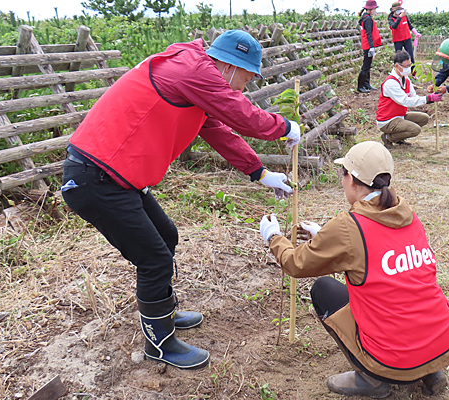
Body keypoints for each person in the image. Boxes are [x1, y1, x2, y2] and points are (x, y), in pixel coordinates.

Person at [61, 30, 301, 370]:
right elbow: (242, 114)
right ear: (229, 66)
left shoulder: (195, 77)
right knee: (154, 257)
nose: (243, 87)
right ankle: (159, 342)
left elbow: (220, 131)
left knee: (166, 236)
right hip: (95, 178)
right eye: (246, 78)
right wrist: (283, 125)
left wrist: (260, 173)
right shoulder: (193, 70)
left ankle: (163, 313)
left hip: (116, 177)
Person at [259, 141, 449, 398]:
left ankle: (372, 378)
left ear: (352, 180)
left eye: (342, 174)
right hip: (441, 340)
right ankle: (430, 370)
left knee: (323, 289)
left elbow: (296, 264)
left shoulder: (348, 226)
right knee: (405, 297)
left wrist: (273, 237)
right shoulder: (406, 213)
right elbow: (376, 252)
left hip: (392, 357)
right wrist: (324, 235)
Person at [377, 50, 442, 147]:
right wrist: (427, 99)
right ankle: (387, 138)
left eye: (410, 65)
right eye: (406, 66)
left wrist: (430, 99)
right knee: (415, 129)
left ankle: (399, 138)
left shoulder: (406, 79)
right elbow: (405, 101)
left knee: (424, 118)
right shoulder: (390, 83)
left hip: (400, 115)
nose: (409, 69)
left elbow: (413, 97)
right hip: (388, 120)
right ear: (397, 66)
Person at [357, 0, 383, 93]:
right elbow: (369, 34)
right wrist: (371, 47)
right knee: (366, 65)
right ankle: (360, 86)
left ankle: (366, 84)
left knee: (368, 65)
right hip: (367, 45)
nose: (375, 11)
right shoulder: (367, 19)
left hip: (367, 44)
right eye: (375, 9)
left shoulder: (365, 17)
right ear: (371, 9)